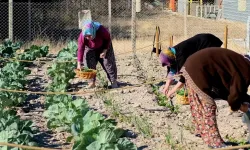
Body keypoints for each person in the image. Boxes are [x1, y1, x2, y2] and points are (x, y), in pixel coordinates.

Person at [177, 47, 250, 148]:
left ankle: (201, 132)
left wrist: (241, 101)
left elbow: (228, 89)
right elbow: (235, 94)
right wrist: (238, 106)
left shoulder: (242, 63)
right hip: (197, 69)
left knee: (197, 103)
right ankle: (215, 142)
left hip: (192, 65)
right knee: (208, 105)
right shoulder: (245, 70)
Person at [156, 33, 223, 97]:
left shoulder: (181, 56)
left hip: (208, 43)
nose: (169, 65)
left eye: (169, 63)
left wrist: (171, 91)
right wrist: (167, 86)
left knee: (207, 68)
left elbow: (184, 78)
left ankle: (219, 90)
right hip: (201, 41)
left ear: (172, 59)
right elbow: (171, 70)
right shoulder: (171, 53)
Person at [77, 20, 118, 89]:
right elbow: (80, 49)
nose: (88, 38)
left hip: (104, 46)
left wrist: (105, 50)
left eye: (89, 36)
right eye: (86, 36)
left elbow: (108, 39)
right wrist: (79, 63)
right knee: (89, 62)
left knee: (108, 62)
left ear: (93, 31)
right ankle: (92, 83)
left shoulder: (101, 30)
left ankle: (113, 82)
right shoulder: (82, 37)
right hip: (90, 47)